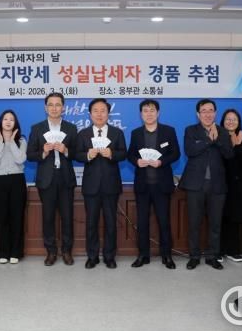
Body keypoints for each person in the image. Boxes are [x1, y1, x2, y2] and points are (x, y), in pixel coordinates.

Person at [179, 99, 233, 270]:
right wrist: (209, 140)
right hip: (196, 185)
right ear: (198, 114)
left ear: (215, 113)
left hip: (217, 185)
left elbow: (229, 154)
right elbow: (190, 151)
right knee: (194, 223)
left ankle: (212, 256)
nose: (208, 114)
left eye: (211, 110)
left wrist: (218, 140)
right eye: (204, 111)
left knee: (215, 224)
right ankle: (194, 256)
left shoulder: (223, 132)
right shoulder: (191, 130)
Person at [127, 99, 180, 269]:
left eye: (152, 110)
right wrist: (137, 161)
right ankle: (143, 255)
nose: (148, 114)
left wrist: (161, 162)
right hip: (143, 186)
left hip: (162, 185)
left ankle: (167, 256)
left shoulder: (168, 131)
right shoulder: (136, 133)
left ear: (158, 113)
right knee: (142, 222)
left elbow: (176, 153)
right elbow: (130, 154)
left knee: (164, 222)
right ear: (141, 114)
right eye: (145, 111)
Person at [75, 98, 127, 269]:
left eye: (103, 110)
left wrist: (111, 154)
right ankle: (92, 256)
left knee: (111, 222)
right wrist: (88, 155)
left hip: (111, 185)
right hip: (91, 186)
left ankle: (109, 256)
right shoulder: (83, 134)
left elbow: (123, 153)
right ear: (90, 114)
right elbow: (77, 154)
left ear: (108, 113)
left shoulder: (117, 133)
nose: (99, 114)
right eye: (95, 111)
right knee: (91, 223)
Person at [26, 92, 77, 266]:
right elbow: (30, 155)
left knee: (67, 217)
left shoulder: (71, 128)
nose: (54, 108)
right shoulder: (37, 128)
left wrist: (66, 150)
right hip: (46, 179)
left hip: (65, 178)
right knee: (48, 217)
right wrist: (44, 152)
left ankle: (67, 251)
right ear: (45, 108)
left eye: (58, 105)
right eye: (51, 105)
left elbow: (78, 153)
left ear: (63, 108)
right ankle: (51, 252)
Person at [0, 110, 27, 264]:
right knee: (1, 218)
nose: (8, 121)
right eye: (5, 119)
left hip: (17, 180)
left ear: (15, 123)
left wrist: (10, 142)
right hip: (0, 181)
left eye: (11, 119)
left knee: (17, 218)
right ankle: (3, 253)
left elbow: (20, 159)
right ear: (1, 122)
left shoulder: (21, 141)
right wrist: (1, 142)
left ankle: (16, 252)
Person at [219, 109, 242, 263]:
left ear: (238, 122)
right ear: (223, 122)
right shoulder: (217, 138)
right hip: (220, 183)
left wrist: (237, 146)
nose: (231, 122)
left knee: (234, 217)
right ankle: (219, 250)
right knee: (219, 217)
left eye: (234, 119)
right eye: (228, 119)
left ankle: (233, 250)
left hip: (237, 185)